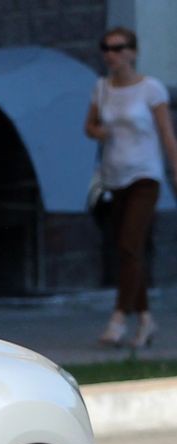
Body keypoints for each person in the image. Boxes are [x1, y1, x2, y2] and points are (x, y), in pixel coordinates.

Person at [85, 26, 177, 348]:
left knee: (129, 244)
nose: (111, 54)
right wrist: (99, 132)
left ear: (133, 52)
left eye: (118, 48)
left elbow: (167, 134)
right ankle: (146, 319)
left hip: (145, 176)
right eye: (106, 48)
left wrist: (175, 171)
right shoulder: (102, 88)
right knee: (128, 250)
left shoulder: (151, 89)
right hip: (114, 178)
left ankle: (119, 318)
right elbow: (89, 126)